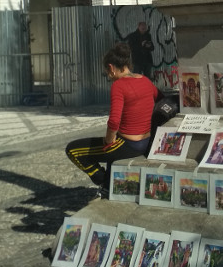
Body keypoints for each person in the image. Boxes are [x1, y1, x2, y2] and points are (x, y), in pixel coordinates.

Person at [65, 42, 161, 198]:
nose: (108, 76)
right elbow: (160, 98)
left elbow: (114, 121)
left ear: (111, 68)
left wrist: (109, 141)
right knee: (110, 154)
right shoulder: (145, 80)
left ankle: (103, 181)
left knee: (73, 150)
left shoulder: (119, 85)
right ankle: (109, 184)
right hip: (145, 141)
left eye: (106, 72)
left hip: (128, 144)